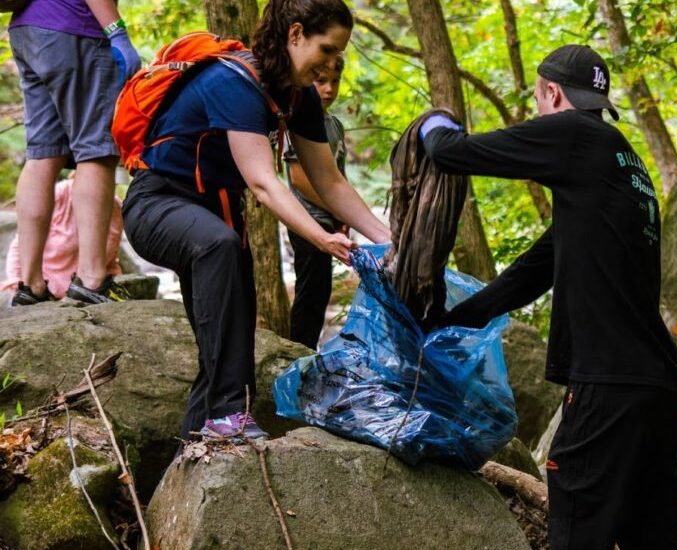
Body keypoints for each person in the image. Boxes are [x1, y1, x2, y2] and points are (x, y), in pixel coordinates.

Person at [420, 45, 677, 550]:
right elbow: (534, 270)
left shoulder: (573, 135)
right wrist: (454, 319)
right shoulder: (620, 159)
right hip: (655, 385)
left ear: (550, 94)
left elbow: (454, 155)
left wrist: (435, 125)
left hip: (609, 384)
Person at [120, 0, 390, 443]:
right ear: (296, 34)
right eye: (327, 50)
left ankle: (195, 446)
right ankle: (227, 418)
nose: (331, 64)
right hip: (156, 204)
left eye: (339, 55)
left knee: (230, 337)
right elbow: (263, 182)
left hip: (218, 217)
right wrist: (321, 238)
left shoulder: (298, 96)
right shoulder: (233, 82)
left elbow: (329, 181)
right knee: (218, 247)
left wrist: (388, 238)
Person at [8, 0, 140, 305]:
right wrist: (116, 31)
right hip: (75, 27)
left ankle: (30, 284)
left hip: (26, 30)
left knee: (42, 154)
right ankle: (92, 279)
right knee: (96, 151)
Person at [283, 54, 348, 349]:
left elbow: (338, 177)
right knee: (310, 291)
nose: (329, 89)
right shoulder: (298, 120)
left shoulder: (334, 125)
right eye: (321, 81)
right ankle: (299, 350)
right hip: (307, 223)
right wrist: (336, 208)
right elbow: (300, 178)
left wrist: (344, 217)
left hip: (329, 222)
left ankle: (307, 349)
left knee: (320, 291)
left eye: (335, 81)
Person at [4, 174, 124, 299]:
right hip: (46, 292)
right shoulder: (59, 194)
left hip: (91, 291)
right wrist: (18, 283)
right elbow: (20, 246)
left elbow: (110, 258)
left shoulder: (116, 207)